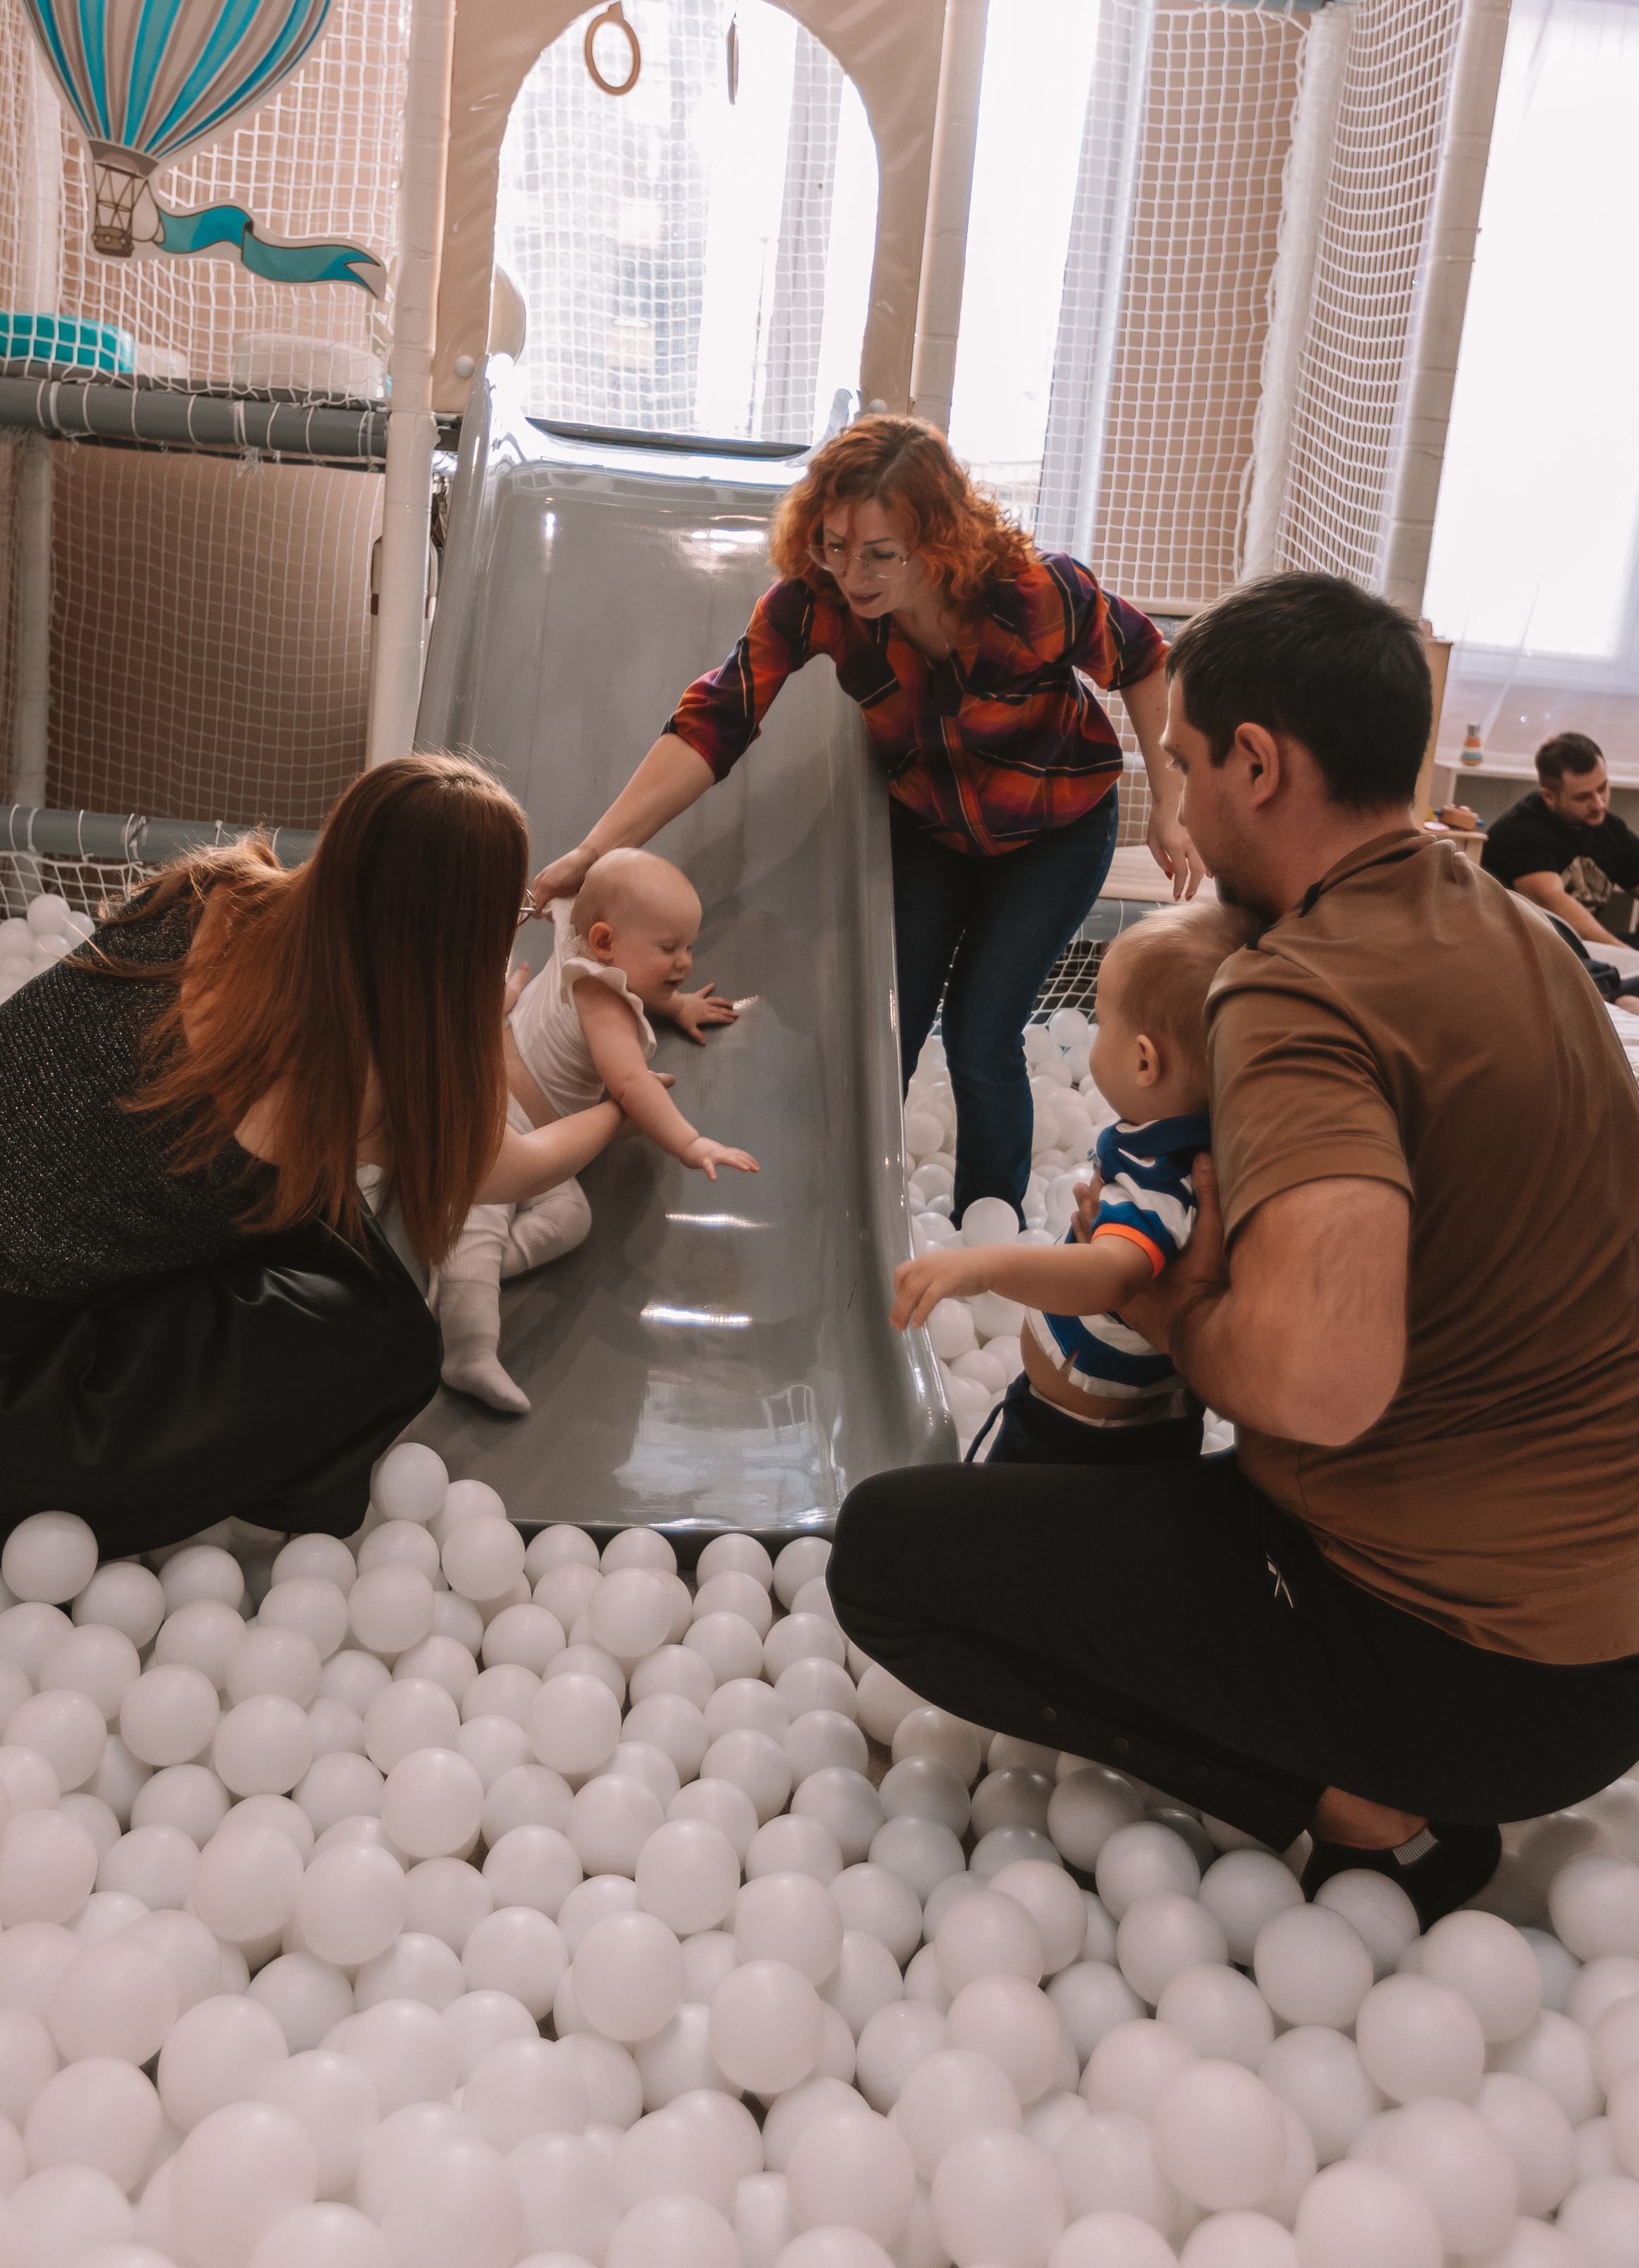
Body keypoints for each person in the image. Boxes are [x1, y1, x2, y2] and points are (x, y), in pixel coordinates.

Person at [831, 571, 1639, 1928]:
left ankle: (1349, 1810)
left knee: (886, 1556)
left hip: (1440, 1671)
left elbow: (1322, 1386)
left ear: (1259, 765)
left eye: (1188, 762)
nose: (1180, 801)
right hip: (1604, 1659)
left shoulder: (1296, 989)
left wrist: (1176, 1306)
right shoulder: (1522, 934)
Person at [0, 754, 624, 1558]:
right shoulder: (347, 1088)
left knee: (256, 1202)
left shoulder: (209, 887)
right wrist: (617, 1109)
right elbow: (512, 1169)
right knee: (385, 1335)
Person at [532, 417, 1201, 1223]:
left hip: (1054, 833)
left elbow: (1144, 658)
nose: (852, 572)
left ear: (940, 538)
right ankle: (856, 1222)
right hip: (929, 831)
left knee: (982, 1033)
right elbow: (715, 722)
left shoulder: (1035, 595)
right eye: (834, 546)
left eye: (880, 553)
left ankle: (988, 1223)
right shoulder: (813, 607)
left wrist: (1171, 805)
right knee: (890, 1020)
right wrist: (594, 850)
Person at [890, 900, 1249, 1465]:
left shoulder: (1162, 1177)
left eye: (1102, 1022)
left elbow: (1112, 1275)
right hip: (1122, 1416)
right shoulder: (1193, 1144)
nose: (1094, 1032)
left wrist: (986, 1267)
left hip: (1077, 1439)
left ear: (1144, 1063)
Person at [429, 847, 756, 1413]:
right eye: (668, 948)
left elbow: (567, 910)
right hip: (493, 1119)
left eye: (688, 947)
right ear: (605, 942)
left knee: (571, 1217)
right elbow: (631, 1084)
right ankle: (469, 1350)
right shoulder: (604, 1003)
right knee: (486, 1218)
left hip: (536, 1141)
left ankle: (464, 1269)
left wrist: (673, 1006)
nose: (683, 962)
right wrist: (690, 1142)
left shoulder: (576, 942)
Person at [1483, 731, 1639, 949]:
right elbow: (1553, 903)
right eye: (1583, 797)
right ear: (1549, 796)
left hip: (1580, 950)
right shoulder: (1521, 832)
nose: (1599, 804)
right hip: (1529, 950)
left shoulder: (1609, 827)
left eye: (1602, 788)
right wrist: (1629, 957)